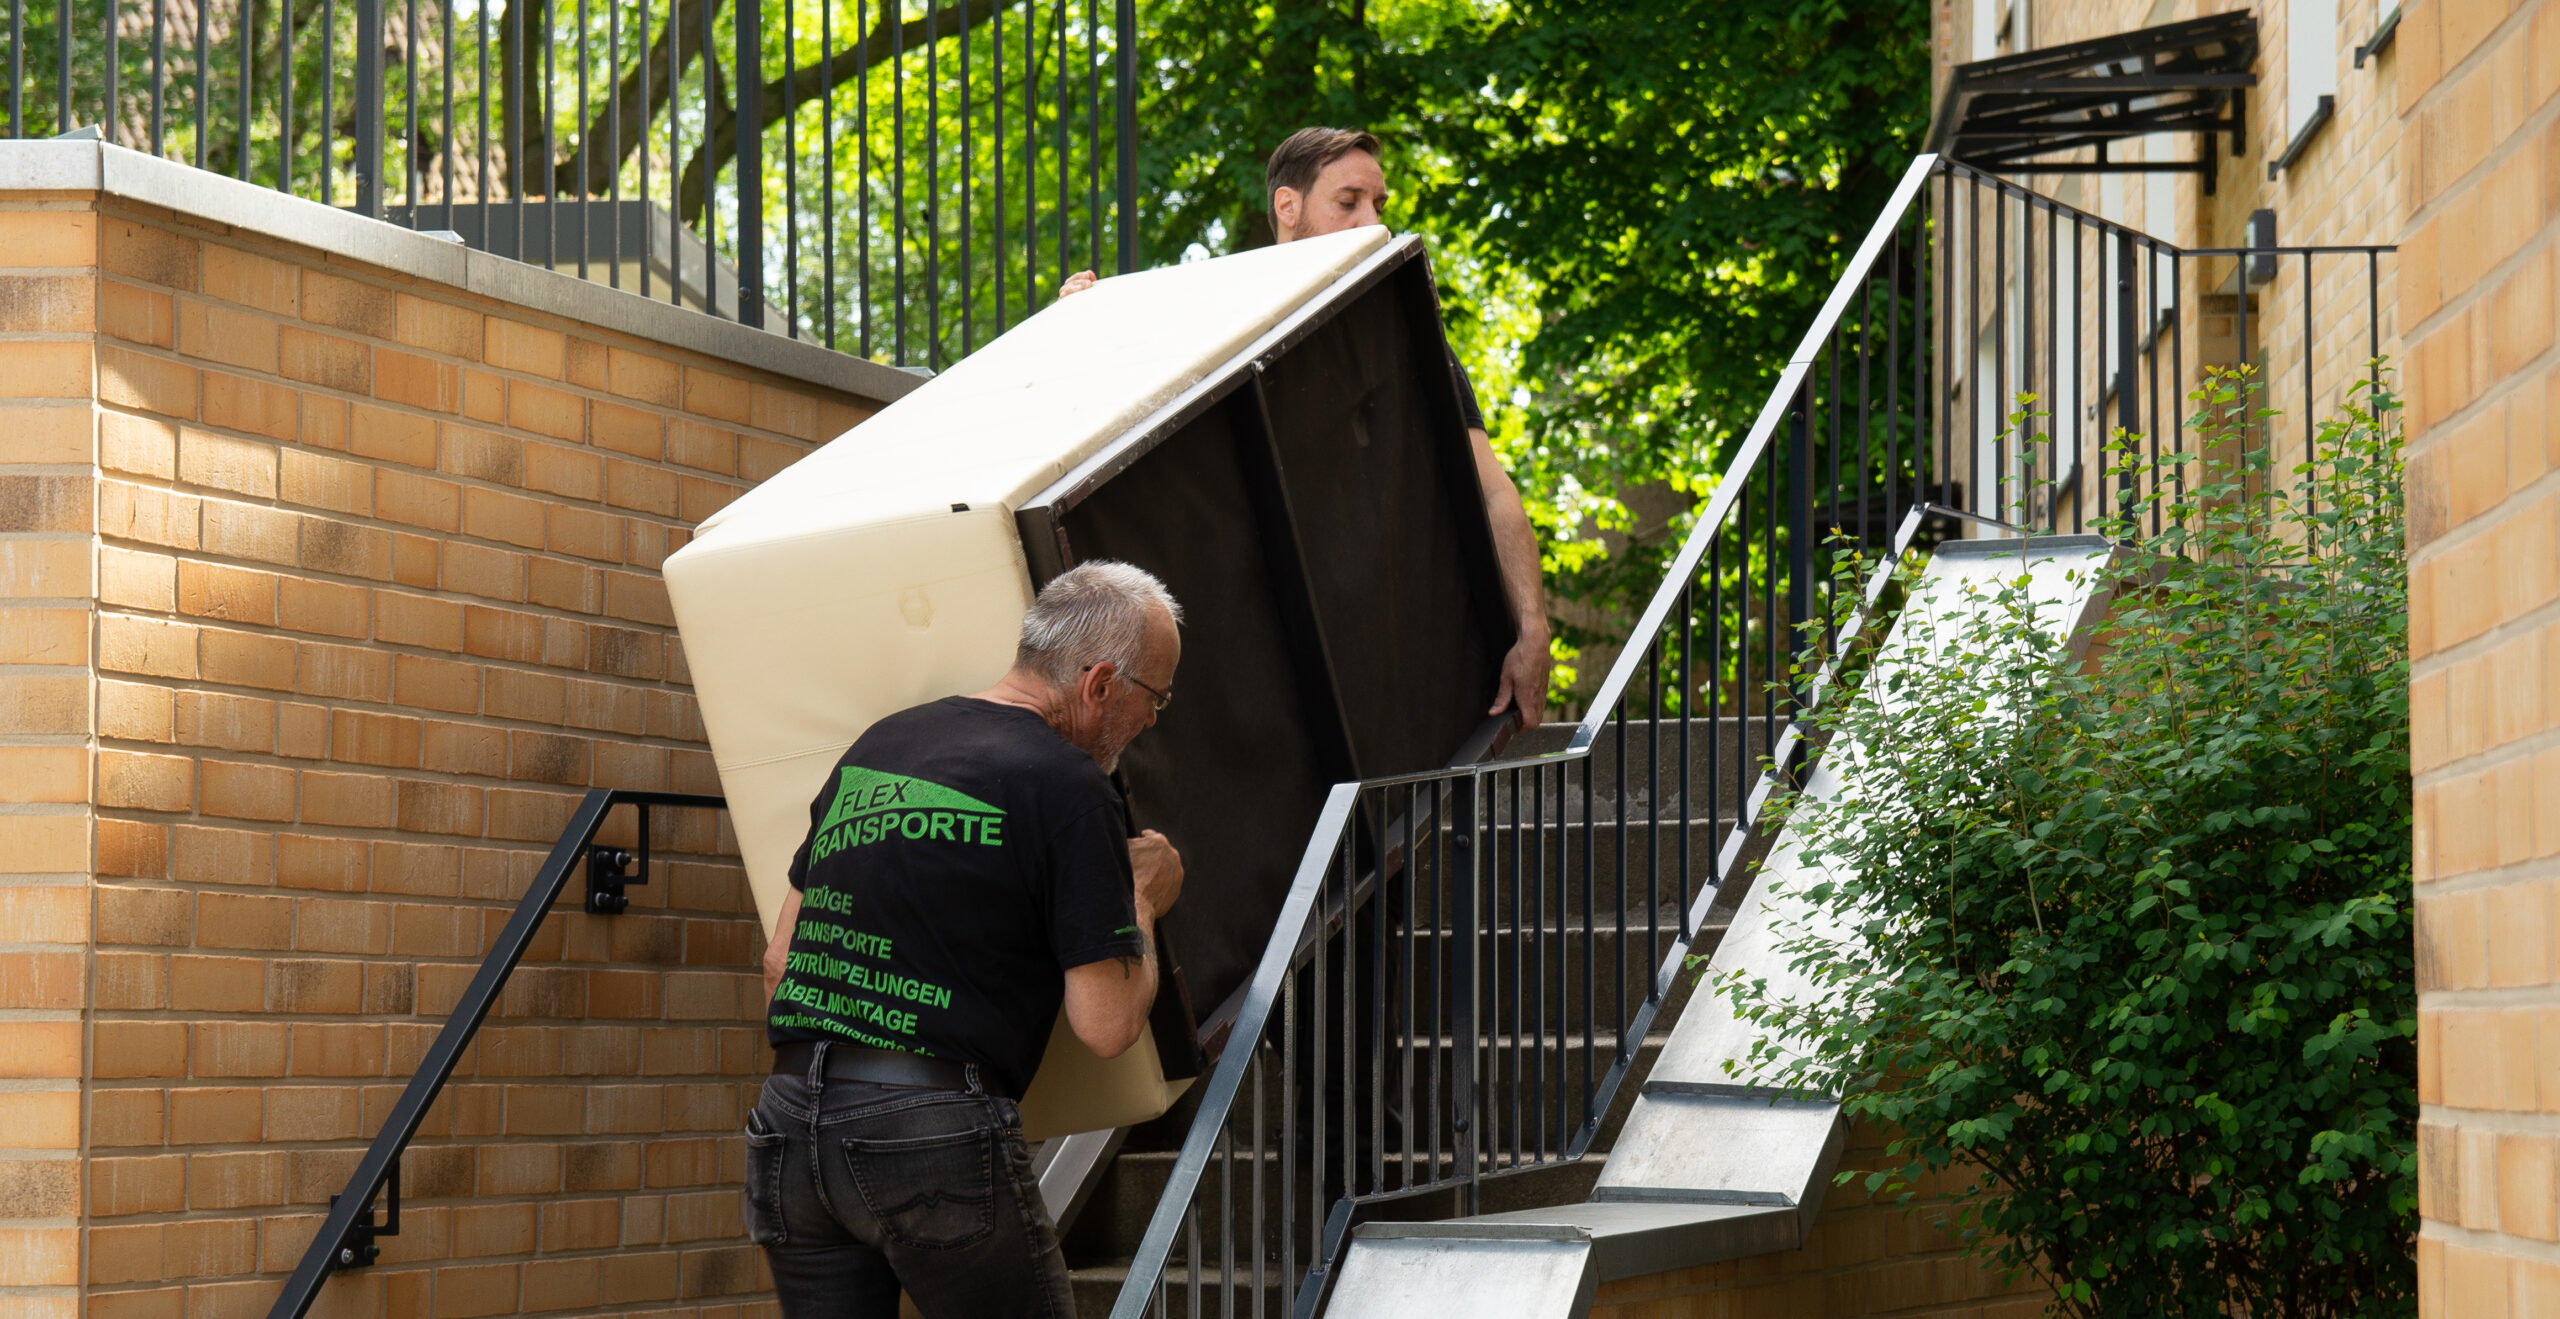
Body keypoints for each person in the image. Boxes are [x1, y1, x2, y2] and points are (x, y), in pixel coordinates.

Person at [744, 561, 1189, 1318]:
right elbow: (1107, 1023)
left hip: (787, 1127)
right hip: (928, 1132)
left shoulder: (882, 743)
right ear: (1101, 684)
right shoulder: (1069, 787)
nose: (1154, 720)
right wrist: (1142, 899)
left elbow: (780, 961)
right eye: (1158, 696)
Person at [1058, 126, 1552, 731]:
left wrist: (1533, 626)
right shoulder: (1200, 320)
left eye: (1379, 205)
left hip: (1387, 666)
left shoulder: (1406, 342)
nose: (1373, 222)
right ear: (1287, 207)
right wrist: (1083, 324)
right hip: (1237, 673)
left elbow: (1493, 489)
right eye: (1348, 203)